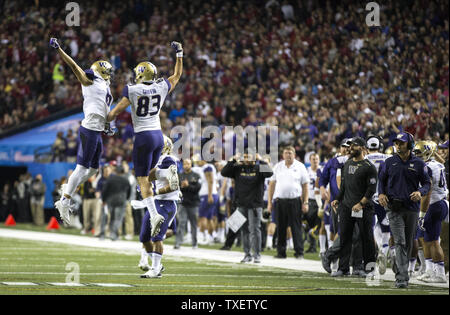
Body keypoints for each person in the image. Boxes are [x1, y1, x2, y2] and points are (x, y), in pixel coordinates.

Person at [107, 41, 183, 238]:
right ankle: (164, 176)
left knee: (141, 178)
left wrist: (104, 120)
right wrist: (180, 54)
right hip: (159, 135)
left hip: (142, 136)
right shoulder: (161, 86)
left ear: (140, 74)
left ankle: (155, 214)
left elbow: (115, 111)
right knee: (149, 175)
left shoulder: (132, 90)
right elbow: (177, 76)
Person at [50, 38, 115, 225]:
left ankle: (69, 187)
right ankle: (65, 200)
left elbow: (102, 108)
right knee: (82, 168)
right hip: (89, 130)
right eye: (108, 71)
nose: (110, 74)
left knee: (94, 169)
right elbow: (73, 65)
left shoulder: (104, 84)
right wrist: (60, 49)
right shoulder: (90, 80)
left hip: (97, 130)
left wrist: (107, 124)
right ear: (101, 71)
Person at [378, 132, 431, 288]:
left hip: (412, 207)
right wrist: (381, 193)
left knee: (407, 243)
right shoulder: (389, 162)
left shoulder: (420, 164)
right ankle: (402, 278)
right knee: (400, 241)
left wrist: (420, 192)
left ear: (410, 145)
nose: (398, 145)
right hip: (393, 207)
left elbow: (427, 184)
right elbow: (381, 180)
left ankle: (397, 264)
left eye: (401, 143)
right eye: (397, 143)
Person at [331, 137, 378, 277]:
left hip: (363, 208)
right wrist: (337, 199)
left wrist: (361, 203)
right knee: (345, 237)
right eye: (350, 146)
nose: (350, 148)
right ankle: (343, 268)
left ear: (363, 148)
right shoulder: (347, 164)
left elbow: (371, 189)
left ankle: (368, 268)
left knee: (366, 238)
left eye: (354, 145)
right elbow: (344, 186)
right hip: (346, 206)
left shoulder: (369, 167)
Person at [139, 136, 180, 278]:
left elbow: (173, 185)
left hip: (166, 202)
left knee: (157, 237)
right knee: (144, 237)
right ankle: (157, 265)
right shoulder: (154, 160)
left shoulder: (168, 159)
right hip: (155, 202)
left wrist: (153, 189)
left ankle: (156, 269)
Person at [221, 150, 273, 263]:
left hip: (255, 204)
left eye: (248, 156)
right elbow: (224, 172)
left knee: (255, 230)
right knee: (244, 231)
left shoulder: (259, 168)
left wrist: (261, 160)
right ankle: (247, 254)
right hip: (241, 204)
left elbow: (270, 173)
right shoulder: (238, 168)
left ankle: (257, 254)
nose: (246, 159)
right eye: (244, 157)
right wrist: (233, 159)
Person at [413, 141, 448, 283]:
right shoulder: (438, 164)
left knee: (433, 240)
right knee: (425, 239)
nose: (416, 156)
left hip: (433, 204)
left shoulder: (426, 168)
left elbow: (427, 192)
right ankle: (429, 270)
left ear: (428, 153)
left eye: (419, 153)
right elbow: (442, 161)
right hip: (438, 203)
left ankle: (439, 274)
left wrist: (422, 214)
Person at [268, 146, 309, 259]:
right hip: (280, 201)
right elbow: (272, 185)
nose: (288, 155)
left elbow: (305, 186)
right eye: (286, 153)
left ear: (294, 155)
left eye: (290, 153)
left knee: (296, 227)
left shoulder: (300, 167)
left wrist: (305, 202)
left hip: (295, 201)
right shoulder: (278, 166)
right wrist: (269, 203)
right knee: (280, 228)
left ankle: (299, 252)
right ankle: (281, 252)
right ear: (283, 155)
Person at [364, 135, 392, 275]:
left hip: (367, 198)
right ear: (379, 146)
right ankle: (384, 248)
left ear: (367, 148)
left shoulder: (364, 159)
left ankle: (378, 250)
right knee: (386, 228)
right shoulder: (387, 158)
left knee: (370, 229)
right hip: (383, 197)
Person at [192, 154, 219, 245]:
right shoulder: (207, 167)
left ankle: (201, 236)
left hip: (207, 195)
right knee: (209, 218)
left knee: (201, 217)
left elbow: (210, 181)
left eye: (198, 161)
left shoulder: (208, 167)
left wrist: (209, 195)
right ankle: (210, 236)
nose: (197, 163)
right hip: (211, 194)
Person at [175, 158, 201, 249]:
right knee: (181, 223)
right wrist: (183, 186)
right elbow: (176, 189)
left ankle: (194, 243)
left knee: (194, 224)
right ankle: (178, 243)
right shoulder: (179, 176)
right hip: (183, 203)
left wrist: (188, 185)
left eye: (188, 164)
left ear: (191, 165)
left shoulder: (196, 175)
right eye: (185, 163)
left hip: (193, 203)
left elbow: (197, 188)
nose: (186, 165)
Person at [101, 165, 131, 241]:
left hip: (111, 200)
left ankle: (111, 233)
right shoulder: (126, 180)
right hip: (121, 200)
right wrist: (126, 199)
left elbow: (105, 190)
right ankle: (113, 234)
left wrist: (103, 200)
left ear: (115, 171)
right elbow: (129, 191)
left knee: (112, 218)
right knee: (118, 218)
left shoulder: (110, 179)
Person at [305, 153, 322, 253]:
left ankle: (321, 245)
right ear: (310, 160)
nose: (315, 161)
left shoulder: (322, 170)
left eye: (316, 159)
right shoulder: (306, 171)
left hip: (320, 199)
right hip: (310, 199)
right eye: (313, 159)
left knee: (320, 223)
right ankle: (312, 246)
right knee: (310, 223)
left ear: (319, 160)